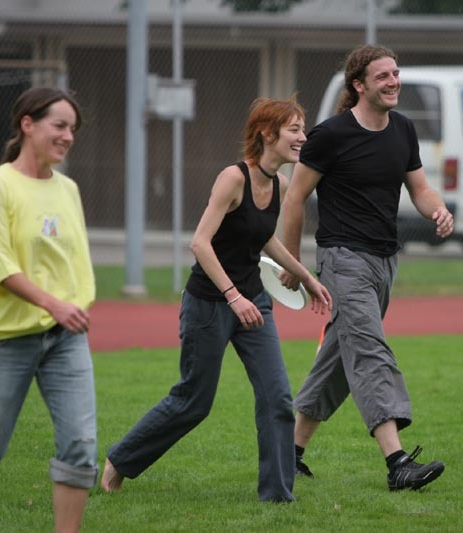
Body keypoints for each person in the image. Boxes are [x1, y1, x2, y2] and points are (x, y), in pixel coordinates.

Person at [99, 96, 332, 503]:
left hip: (254, 302)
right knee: (194, 401)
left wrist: (305, 276)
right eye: (294, 130)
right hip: (208, 304)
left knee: (277, 397)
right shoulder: (233, 178)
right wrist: (232, 296)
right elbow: (200, 243)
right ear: (267, 134)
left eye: (302, 129)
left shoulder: (279, 185)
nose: (302, 138)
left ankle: (278, 497)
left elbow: (264, 237)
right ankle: (120, 461)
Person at [278, 44, 453, 491]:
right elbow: (295, 198)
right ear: (359, 85)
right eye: (383, 76)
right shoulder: (330, 135)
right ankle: (398, 463)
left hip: (384, 261)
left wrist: (438, 209)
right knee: (371, 350)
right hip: (343, 259)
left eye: (396, 73)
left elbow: (420, 188)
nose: (394, 82)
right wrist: (293, 264)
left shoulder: (404, 129)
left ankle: (287, 453)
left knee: (340, 358)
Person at [0, 87, 97, 533]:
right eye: (59, 125)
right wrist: (53, 304)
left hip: (65, 339)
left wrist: (73, 306)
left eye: (72, 129)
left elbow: (76, 261)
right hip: (4, 339)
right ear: (27, 124)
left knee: (81, 445)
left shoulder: (68, 189)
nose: (68, 137)